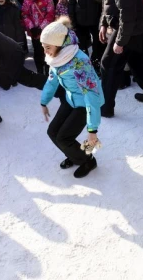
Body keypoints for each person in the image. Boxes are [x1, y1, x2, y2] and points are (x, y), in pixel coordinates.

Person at [40, 18, 103, 178]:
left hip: (85, 103)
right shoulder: (56, 58)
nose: (45, 51)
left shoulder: (79, 62)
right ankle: (75, 155)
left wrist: (92, 129)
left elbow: (92, 96)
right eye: (43, 47)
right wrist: (44, 101)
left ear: (59, 45)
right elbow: (52, 81)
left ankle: (88, 160)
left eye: (47, 47)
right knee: (52, 131)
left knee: (64, 137)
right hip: (70, 99)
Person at [22, 0, 55, 74]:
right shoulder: (27, 1)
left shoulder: (48, 0)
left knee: (47, 51)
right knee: (37, 51)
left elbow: (50, 14)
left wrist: (41, 27)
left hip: (45, 30)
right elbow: (24, 14)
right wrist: (31, 27)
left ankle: (47, 70)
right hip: (34, 32)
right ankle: (39, 70)